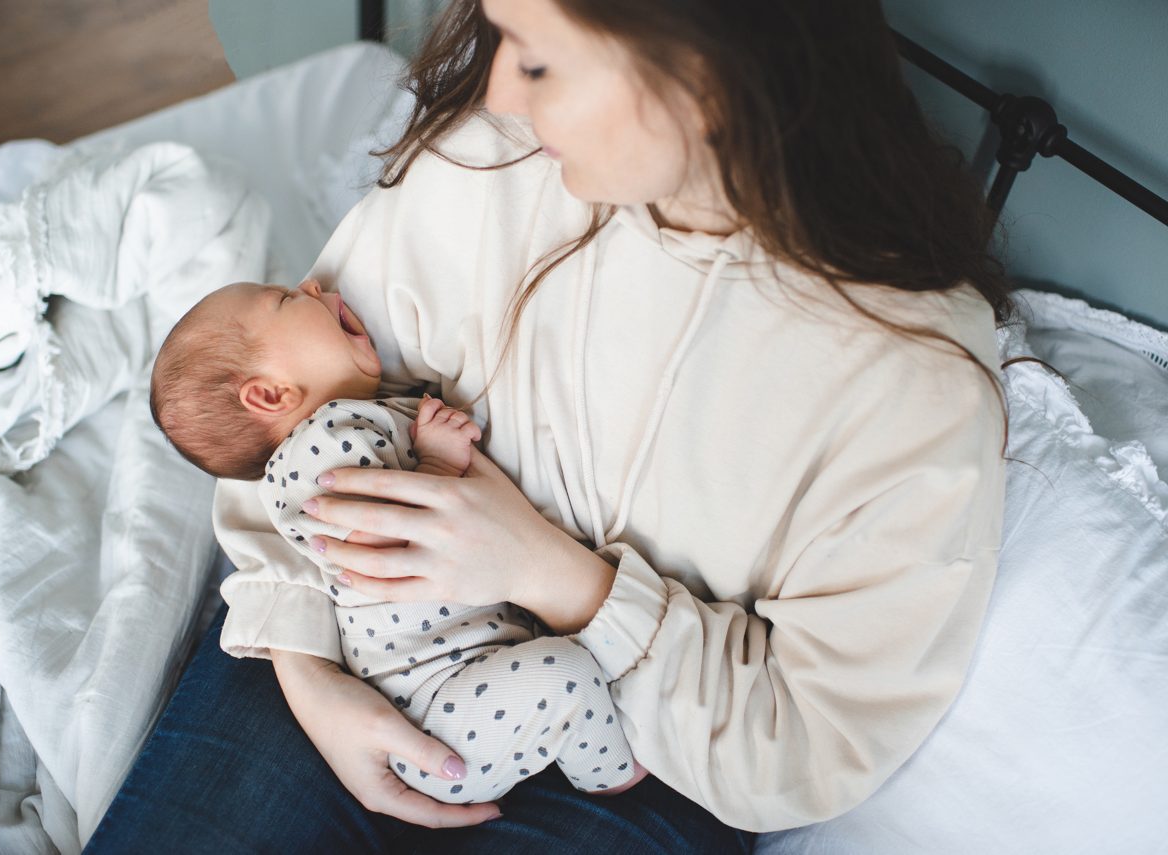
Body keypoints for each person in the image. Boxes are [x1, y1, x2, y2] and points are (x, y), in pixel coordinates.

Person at [86, 0, 1010, 851]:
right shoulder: (495, 154)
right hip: (344, 639)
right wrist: (307, 673)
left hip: (636, 749)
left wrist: (555, 575)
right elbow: (291, 441)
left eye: (541, 58)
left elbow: (807, 740)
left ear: (698, 68)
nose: (493, 85)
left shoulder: (910, 382)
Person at [146, 278, 646, 803]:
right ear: (271, 394)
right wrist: (436, 462)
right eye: (288, 299)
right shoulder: (321, 443)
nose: (312, 283)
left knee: (582, 659)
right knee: (567, 676)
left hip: (464, 682)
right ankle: (612, 774)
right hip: (438, 709)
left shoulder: (347, 426)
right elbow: (385, 542)